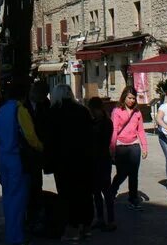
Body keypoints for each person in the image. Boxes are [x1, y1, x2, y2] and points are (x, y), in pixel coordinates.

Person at [0, 79, 44, 245]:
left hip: (3, 158)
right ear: (23, 95)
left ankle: (11, 233)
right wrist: (40, 147)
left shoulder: (1, 111)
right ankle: (16, 237)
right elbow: (30, 135)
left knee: (8, 197)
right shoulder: (19, 110)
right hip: (17, 159)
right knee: (19, 199)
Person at [46, 85, 95, 242]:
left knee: (66, 194)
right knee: (84, 192)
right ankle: (86, 227)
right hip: (83, 160)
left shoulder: (53, 112)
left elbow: (49, 140)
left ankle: (72, 228)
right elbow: (90, 135)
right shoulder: (82, 110)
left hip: (63, 162)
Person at [108, 86, 148, 225]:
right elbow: (113, 129)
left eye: (133, 98)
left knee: (134, 174)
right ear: (124, 97)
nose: (131, 100)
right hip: (120, 145)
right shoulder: (117, 111)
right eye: (129, 98)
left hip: (134, 145)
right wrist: (112, 147)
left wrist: (144, 147)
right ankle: (112, 191)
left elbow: (141, 130)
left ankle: (133, 199)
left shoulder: (137, 113)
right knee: (122, 173)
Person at [23, 79, 50, 233]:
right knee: (27, 186)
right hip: (26, 152)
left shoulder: (44, 104)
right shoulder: (23, 105)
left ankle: (36, 216)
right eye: (42, 95)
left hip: (38, 153)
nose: (43, 98)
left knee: (36, 184)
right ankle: (28, 216)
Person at [87, 97, 115, 232]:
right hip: (98, 159)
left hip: (101, 159)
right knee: (97, 191)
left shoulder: (103, 123)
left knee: (105, 190)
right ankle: (100, 218)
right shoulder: (104, 121)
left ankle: (110, 219)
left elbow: (99, 140)